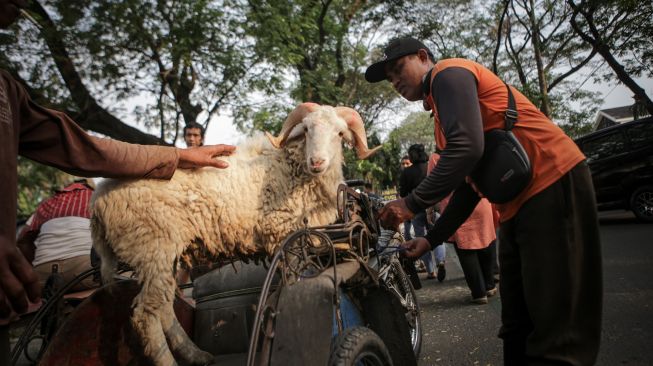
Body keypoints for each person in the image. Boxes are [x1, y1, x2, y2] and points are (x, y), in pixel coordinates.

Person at [0, 1, 236, 361]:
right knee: (165, 257)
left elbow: (85, 148)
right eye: (186, 137)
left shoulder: (9, 90)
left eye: (192, 136)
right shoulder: (91, 196)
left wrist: (177, 157)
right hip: (151, 217)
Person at [366, 37, 602, 364]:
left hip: (553, 181)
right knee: (517, 322)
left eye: (397, 69)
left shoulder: (449, 73)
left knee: (556, 323)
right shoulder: (440, 114)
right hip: (518, 205)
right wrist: (430, 239)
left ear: (423, 57)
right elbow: (467, 187)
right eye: (389, 78)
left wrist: (409, 204)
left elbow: (466, 148)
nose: (394, 81)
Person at [428, 153, 495, 303]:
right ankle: (490, 285)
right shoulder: (475, 146)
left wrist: (430, 208)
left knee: (465, 249)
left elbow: (433, 185)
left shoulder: (437, 157)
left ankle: (479, 293)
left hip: (455, 206)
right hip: (481, 201)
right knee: (486, 241)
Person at [17, 179, 99, 292]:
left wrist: (35, 267)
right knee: (126, 277)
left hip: (43, 276)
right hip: (84, 270)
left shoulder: (47, 203)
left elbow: (22, 241)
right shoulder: (97, 198)